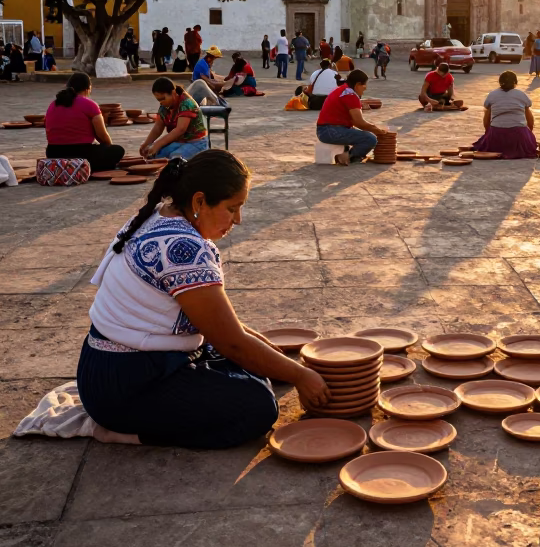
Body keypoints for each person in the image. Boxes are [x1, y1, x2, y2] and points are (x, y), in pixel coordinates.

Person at [75, 151, 330, 447]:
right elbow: (231, 343)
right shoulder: (182, 247)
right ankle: (129, 434)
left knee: (258, 363)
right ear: (199, 202)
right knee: (257, 406)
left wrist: (267, 352)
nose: (238, 220)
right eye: (232, 208)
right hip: (125, 385)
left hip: (107, 368)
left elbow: (218, 325)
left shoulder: (158, 214)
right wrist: (302, 376)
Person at [44, 72, 125, 171]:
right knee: (117, 150)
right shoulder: (89, 104)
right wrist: (109, 147)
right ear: (88, 88)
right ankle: (89, 169)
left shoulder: (53, 104)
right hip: (81, 153)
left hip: (53, 153)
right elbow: (102, 135)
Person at [316, 69, 387, 165]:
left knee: (360, 134)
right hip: (330, 131)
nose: (365, 89)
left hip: (325, 130)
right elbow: (359, 122)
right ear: (357, 85)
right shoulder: (350, 95)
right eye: (364, 85)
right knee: (370, 139)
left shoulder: (343, 89)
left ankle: (347, 154)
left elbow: (354, 121)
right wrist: (377, 131)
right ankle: (347, 157)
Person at [470, 70, 537, 159]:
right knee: (527, 111)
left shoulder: (492, 94)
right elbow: (530, 120)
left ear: (500, 82)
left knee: (487, 110)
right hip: (519, 134)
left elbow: (487, 118)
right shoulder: (521, 94)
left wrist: (488, 133)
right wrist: (528, 134)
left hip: (497, 133)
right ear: (515, 82)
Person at [140, 77, 209, 160]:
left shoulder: (186, 103)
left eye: (163, 99)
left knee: (175, 159)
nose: (161, 102)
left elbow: (180, 130)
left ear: (173, 93)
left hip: (196, 142)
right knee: (156, 155)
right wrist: (146, 144)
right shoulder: (164, 107)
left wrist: (157, 144)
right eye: (159, 100)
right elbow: (158, 127)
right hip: (179, 142)